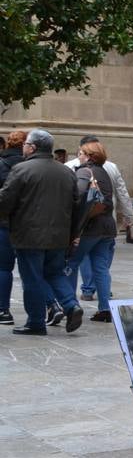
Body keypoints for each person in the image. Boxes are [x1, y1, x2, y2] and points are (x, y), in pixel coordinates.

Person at [0, 130, 82, 334]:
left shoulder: (22, 169)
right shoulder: (66, 171)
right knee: (54, 273)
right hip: (59, 235)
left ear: (33, 147)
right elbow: (76, 205)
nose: (24, 147)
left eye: (26, 144)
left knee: (32, 279)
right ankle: (71, 305)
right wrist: (72, 234)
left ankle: (36, 322)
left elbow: (5, 201)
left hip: (29, 235)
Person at [66, 140, 119, 322]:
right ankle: (105, 308)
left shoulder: (84, 171)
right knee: (101, 268)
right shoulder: (104, 172)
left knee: (71, 263)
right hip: (107, 226)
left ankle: (71, 306)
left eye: (80, 153)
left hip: (89, 227)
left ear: (88, 155)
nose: (78, 156)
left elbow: (79, 196)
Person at [0, 130, 28, 325]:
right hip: (30, 224)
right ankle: (49, 307)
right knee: (34, 269)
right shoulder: (32, 166)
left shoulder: (2, 164)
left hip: (4, 223)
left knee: (3, 268)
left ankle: (3, 310)